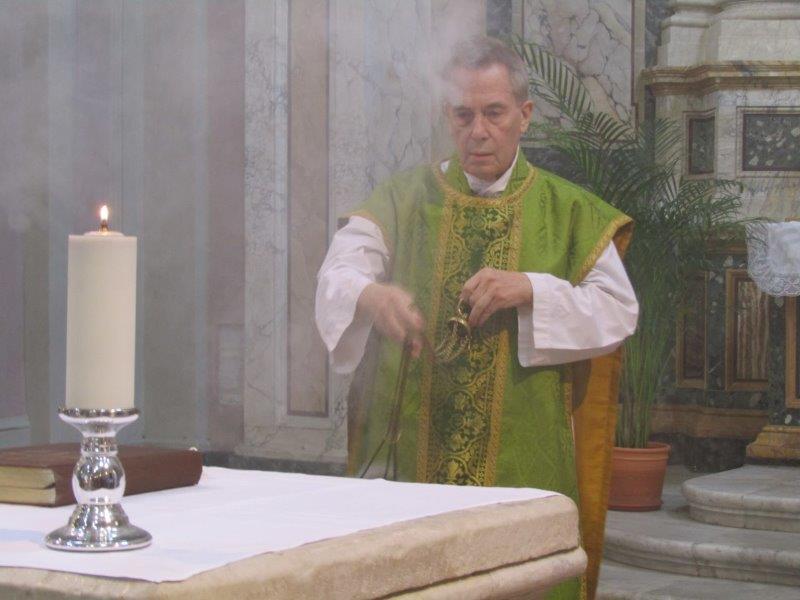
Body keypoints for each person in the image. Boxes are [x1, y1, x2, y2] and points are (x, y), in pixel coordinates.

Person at [315, 36, 638, 600]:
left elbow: (617, 310)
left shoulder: (569, 210)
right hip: (413, 453)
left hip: (523, 455)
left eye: (494, 113)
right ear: (448, 115)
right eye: (463, 115)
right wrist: (370, 295)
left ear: (525, 115)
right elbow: (339, 271)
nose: (478, 131)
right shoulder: (403, 198)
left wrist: (532, 289)